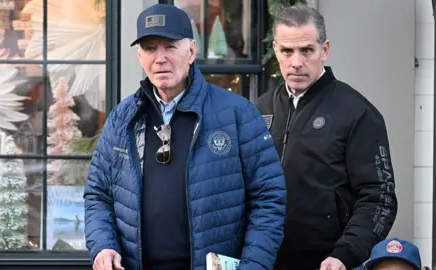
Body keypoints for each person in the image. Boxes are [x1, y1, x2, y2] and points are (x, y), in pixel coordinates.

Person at [84, 4, 286, 270]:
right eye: (150, 48)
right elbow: (98, 194)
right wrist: (103, 246)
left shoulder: (238, 114)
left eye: (170, 46)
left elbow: (268, 198)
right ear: (139, 55)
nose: (160, 58)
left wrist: (253, 265)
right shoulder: (122, 118)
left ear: (191, 51)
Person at [255, 3, 398, 270]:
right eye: (287, 51)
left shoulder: (358, 113)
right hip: (264, 260)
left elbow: (380, 198)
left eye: (306, 50)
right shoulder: (260, 109)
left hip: (328, 263)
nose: (296, 62)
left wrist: (346, 253)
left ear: (325, 50)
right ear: (276, 50)